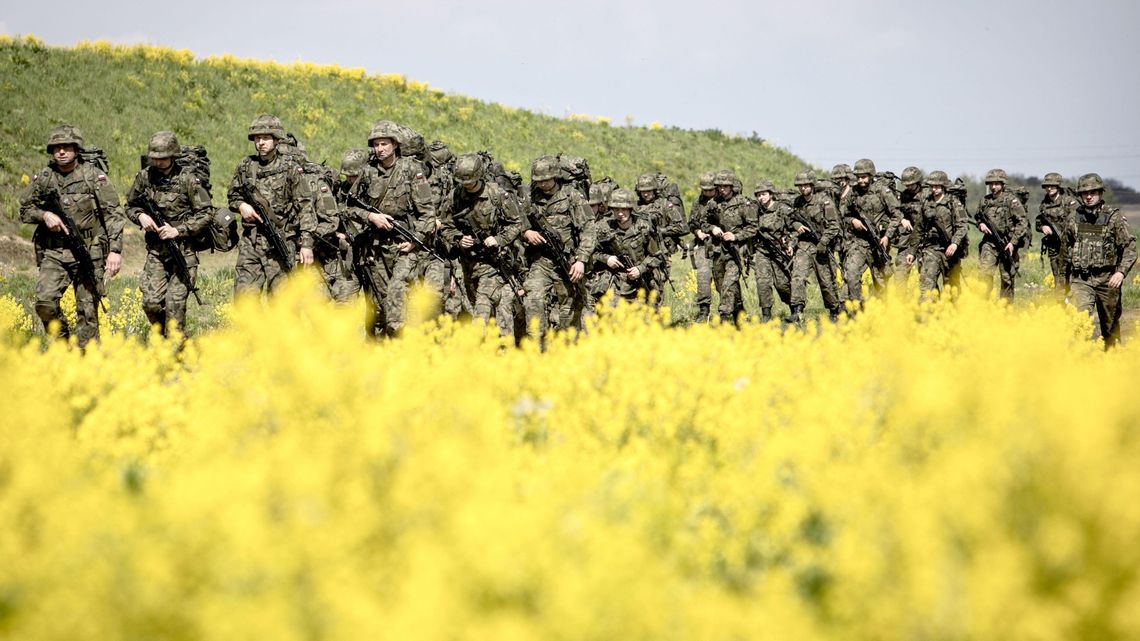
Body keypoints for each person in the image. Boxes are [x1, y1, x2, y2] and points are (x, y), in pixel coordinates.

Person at [19, 124, 124, 347]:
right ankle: (64, 346)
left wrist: (115, 251)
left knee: (87, 313)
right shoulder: (45, 178)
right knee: (45, 303)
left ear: (76, 149)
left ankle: (87, 364)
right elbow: (24, 209)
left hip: (89, 252)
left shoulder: (93, 177)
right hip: (55, 252)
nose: (62, 152)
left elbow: (114, 214)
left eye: (67, 147)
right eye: (57, 148)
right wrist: (44, 214)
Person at [347, 120, 437, 336]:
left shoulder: (411, 170)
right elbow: (347, 208)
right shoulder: (368, 173)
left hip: (404, 246)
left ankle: (401, 344)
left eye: (384, 144)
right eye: (376, 145)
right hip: (376, 249)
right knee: (382, 302)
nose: (380, 149)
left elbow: (428, 213)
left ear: (395, 144)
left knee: (397, 292)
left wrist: (415, 240)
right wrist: (370, 216)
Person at [124, 131, 213, 335]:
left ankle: (176, 351)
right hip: (156, 252)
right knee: (151, 303)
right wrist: (140, 217)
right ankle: (164, 338)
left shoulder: (188, 180)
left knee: (175, 306)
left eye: (163, 158)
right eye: (155, 158)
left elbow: (206, 213)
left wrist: (178, 230)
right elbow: (130, 205)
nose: (159, 162)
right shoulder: (144, 177)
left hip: (183, 252)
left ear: (173, 156)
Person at [226, 114, 316, 296]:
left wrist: (306, 244)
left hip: (281, 241)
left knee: (281, 303)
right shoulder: (246, 166)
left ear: (276, 139)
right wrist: (242, 206)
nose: (261, 142)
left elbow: (305, 206)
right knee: (244, 300)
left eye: (266, 138)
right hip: (251, 242)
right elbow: (233, 195)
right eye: (257, 138)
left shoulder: (290, 167)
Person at [440, 153, 527, 337]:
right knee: (474, 307)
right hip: (468, 264)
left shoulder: (496, 194)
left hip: (493, 263)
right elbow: (445, 225)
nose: (466, 185)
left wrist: (499, 239)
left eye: (470, 181)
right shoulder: (454, 196)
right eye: (463, 181)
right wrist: (458, 239)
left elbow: (516, 223)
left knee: (483, 306)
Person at [521, 155, 597, 345]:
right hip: (541, 262)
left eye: (547, 180)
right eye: (539, 181)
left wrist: (581, 260)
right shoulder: (530, 197)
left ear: (555, 176)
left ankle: (566, 349)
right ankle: (536, 347)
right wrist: (526, 232)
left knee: (569, 311)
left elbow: (588, 228)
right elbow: (515, 221)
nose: (543, 184)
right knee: (533, 301)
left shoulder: (572, 197)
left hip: (568, 263)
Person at [1064, 173, 1136, 348]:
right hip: (1081, 280)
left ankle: (1111, 365)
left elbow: (1130, 247)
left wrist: (1121, 272)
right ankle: (1078, 364)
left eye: (1093, 192)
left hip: (1107, 280)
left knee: (1110, 329)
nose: (1089, 196)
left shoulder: (1114, 217)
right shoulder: (1073, 218)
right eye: (1085, 193)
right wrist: (1064, 286)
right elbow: (1065, 252)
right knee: (1079, 323)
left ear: (1100, 193)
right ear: (1080, 195)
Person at [841, 158, 900, 306]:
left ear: (871, 175)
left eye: (864, 177)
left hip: (879, 241)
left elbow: (897, 215)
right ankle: (856, 307)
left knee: (881, 280)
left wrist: (887, 236)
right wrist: (852, 221)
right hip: (859, 242)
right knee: (852, 273)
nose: (860, 180)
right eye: (858, 177)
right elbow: (843, 215)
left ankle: (882, 310)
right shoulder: (853, 193)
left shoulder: (882, 191)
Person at [703, 169, 756, 325]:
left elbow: (753, 227)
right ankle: (739, 313)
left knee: (729, 284)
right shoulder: (713, 203)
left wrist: (736, 236)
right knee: (722, 287)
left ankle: (724, 317)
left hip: (736, 252)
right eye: (720, 186)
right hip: (718, 251)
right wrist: (712, 228)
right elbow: (703, 223)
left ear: (732, 186)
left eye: (726, 186)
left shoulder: (743, 203)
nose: (722, 189)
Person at [592, 188, 664, 302]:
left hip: (641, 281)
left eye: (624, 209)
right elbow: (590, 252)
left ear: (630, 209)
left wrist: (640, 269)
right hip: (615, 282)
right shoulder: (603, 228)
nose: (620, 213)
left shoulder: (644, 228)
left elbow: (657, 256)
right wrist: (607, 259)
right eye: (616, 209)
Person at [788, 171, 843, 322]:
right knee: (797, 276)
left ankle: (834, 310)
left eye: (805, 185)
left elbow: (834, 226)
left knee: (826, 281)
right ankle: (797, 310)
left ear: (812, 185)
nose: (803, 188)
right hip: (805, 244)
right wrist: (797, 225)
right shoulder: (797, 202)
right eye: (800, 186)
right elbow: (791, 219)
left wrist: (824, 242)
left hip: (822, 245)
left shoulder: (824, 201)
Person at [905, 170, 968, 296]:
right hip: (931, 249)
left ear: (943, 186)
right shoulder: (927, 203)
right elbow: (919, 228)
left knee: (952, 288)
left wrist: (954, 244)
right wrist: (912, 251)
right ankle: (929, 313)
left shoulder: (954, 203)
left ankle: (953, 313)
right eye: (932, 186)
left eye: (937, 186)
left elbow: (963, 225)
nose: (934, 189)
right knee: (926, 286)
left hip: (950, 250)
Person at [974, 168, 1029, 300]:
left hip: (1007, 244)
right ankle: (982, 306)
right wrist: (980, 224)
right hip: (990, 243)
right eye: (991, 184)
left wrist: (1013, 242)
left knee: (1007, 279)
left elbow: (1022, 222)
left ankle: (1005, 311)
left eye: (997, 184)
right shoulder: (985, 201)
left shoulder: (1011, 201)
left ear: (1003, 184)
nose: (993, 187)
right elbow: (978, 217)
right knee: (984, 275)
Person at [752, 179, 794, 322]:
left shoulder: (781, 209)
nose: (761, 198)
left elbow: (793, 229)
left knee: (782, 284)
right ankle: (766, 315)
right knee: (762, 282)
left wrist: (790, 244)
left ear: (770, 194)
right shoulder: (756, 211)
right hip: (762, 251)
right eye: (758, 195)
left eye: (763, 194)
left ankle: (794, 310)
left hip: (779, 251)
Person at [1035, 172, 1079, 299]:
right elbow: (1038, 221)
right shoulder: (1044, 204)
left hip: (1070, 245)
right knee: (1058, 276)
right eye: (1047, 186)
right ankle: (1061, 305)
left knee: (1071, 275)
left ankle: (1073, 304)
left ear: (1058, 186)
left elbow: (1078, 220)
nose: (1049, 188)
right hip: (1054, 246)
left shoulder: (1069, 201)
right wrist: (1043, 227)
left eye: (1052, 186)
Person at [688, 171, 718, 323]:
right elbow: (691, 222)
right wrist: (697, 231)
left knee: (724, 281)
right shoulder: (698, 202)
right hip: (703, 245)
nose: (707, 193)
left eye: (710, 190)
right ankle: (703, 310)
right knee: (703, 277)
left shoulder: (723, 201)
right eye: (705, 190)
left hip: (721, 246)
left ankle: (732, 311)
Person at [895, 166, 924, 277]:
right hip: (907, 239)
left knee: (925, 275)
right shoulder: (903, 196)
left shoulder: (927, 195)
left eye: (911, 184)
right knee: (900, 273)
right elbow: (895, 211)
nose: (909, 187)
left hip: (924, 240)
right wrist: (902, 219)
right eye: (907, 185)